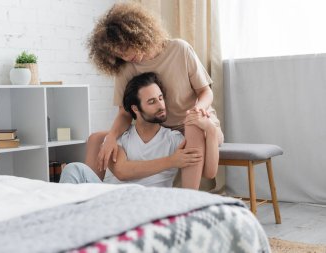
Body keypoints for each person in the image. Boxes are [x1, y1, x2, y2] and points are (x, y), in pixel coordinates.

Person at [85, 2, 223, 189]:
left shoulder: (179, 50)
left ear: (137, 35)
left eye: (126, 49)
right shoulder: (125, 68)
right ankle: (90, 195)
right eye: (119, 54)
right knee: (97, 139)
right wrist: (110, 136)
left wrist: (199, 109)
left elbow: (205, 91)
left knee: (193, 127)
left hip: (195, 122)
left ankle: (188, 200)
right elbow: (125, 113)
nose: (126, 57)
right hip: (157, 127)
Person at [60, 72, 218, 186]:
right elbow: (122, 171)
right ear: (135, 109)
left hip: (144, 203)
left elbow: (209, 172)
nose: (161, 106)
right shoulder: (120, 138)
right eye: (151, 102)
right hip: (108, 198)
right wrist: (172, 161)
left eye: (160, 98)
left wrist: (210, 130)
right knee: (74, 169)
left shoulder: (174, 140)